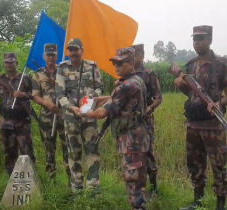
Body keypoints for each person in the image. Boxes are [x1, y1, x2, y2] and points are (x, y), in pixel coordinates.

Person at [174, 25, 227, 210]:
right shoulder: (189, 65)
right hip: (193, 124)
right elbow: (188, 92)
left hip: (213, 124)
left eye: (201, 38)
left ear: (210, 40)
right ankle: (198, 201)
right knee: (195, 163)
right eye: (194, 39)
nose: (197, 42)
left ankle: (220, 205)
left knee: (218, 166)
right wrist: (179, 82)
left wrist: (219, 103)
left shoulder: (222, 65)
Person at [85, 47, 149, 210]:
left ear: (130, 63)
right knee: (138, 180)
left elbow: (102, 113)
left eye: (120, 63)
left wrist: (86, 111)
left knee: (133, 180)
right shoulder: (137, 80)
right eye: (114, 63)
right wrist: (105, 98)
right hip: (137, 135)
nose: (116, 67)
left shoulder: (126, 85)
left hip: (131, 139)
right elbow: (124, 100)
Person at [0, 53, 55, 176]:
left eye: (11, 62)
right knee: (8, 154)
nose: (8, 65)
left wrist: (23, 95)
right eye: (6, 62)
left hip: (22, 122)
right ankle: (11, 183)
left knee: (27, 153)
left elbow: (36, 96)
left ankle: (32, 182)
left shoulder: (25, 78)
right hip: (5, 121)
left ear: (16, 63)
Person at [55, 38, 104, 191]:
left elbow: (100, 88)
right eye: (70, 50)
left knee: (92, 151)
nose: (73, 53)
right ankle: (77, 188)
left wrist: (90, 100)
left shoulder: (91, 66)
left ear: (82, 50)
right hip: (71, 118)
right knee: (73, 152)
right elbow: (60, 94)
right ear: (68, 52)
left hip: (89, 116)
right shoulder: (62, 68)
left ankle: (93, 188)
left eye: (76, 50)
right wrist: (72, 108)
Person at [32, 44, 70, 182]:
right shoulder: (38, 74)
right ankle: (51, 181)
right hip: (47, 118)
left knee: (68, 149)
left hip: (64, 115)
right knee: (49, 150)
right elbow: (35, 95)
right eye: (48, 54)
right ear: (43, 56)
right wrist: (47, 104)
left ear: (57, 56)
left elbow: (72, 91)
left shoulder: (64, 71)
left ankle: (72, 183)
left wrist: (58, 84)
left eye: (53, 54)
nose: (50, 57)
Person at [131, 44, 162, 196]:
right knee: (133, 153)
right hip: (130, 122)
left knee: (147, 152)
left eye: (134, 55)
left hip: (145, 121)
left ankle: (154, 187)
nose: (130, 59)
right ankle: (137, 187)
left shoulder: (149, 74)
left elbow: (158, 97)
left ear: (141, 57)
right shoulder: (127, 74)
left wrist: (149, 109)